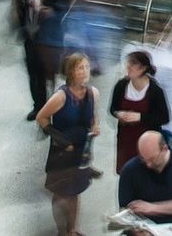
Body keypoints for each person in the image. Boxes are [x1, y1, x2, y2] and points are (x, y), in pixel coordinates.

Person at [36, 53, 99, 236]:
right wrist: (61, 140)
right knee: (61, 192)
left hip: (81, 152)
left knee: (75, 191)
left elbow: (93, 118)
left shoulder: (92, 93)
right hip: (62, 154)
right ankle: (61, 231)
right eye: (80, 68)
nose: (85, 71)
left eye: (87, 67)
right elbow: (42, 118)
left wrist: (95, 126)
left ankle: (72, 229)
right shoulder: (61, 96)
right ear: (71, 71)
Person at [13, 0, 71, 121]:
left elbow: (65, 7)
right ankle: (38, 105)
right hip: (30, 32)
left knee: (49, 73)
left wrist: (50, 11)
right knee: (32, 71)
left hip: (49, 37)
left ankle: (52, 107)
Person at [118, 131, 172, 234]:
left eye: (152, 159)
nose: (148, 164)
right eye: (143, 159)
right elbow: (125, 211)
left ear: (165, 149)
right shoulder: (129, 170)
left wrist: (153, 208)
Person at [108, 51, 170, 174]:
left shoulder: (155, 91)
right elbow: (112, 108)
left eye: (133, 64)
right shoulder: (121, 85)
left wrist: (140, 117)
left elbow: (164, 117)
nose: (128, 67)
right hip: (125, 140)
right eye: (128, 63)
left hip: (147, 143)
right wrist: (118, 114)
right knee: (127, 172)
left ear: (143, 68)